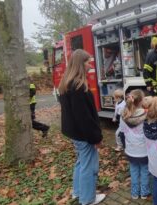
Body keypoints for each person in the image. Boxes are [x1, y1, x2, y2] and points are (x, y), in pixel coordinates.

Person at [58, 49, 106, 205]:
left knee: (81, 162)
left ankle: (78, 192)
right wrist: (96, 138)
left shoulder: (67, 83)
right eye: (87, 62)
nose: (90, 65)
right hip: (83, 135)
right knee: (88, 166)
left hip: (75, 133)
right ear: (80, 64)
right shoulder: (78, 86)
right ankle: (87, 199)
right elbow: (84, 118)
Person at [120, 89, 150, 200]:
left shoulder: (124, 114)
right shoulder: (145, 114)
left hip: (130, 151)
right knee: (145, 171)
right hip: (144, 151)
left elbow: (122, 133)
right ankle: (144, 193)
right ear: (141, 101)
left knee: (133, 171)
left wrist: (125, 146)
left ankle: (134, 193)